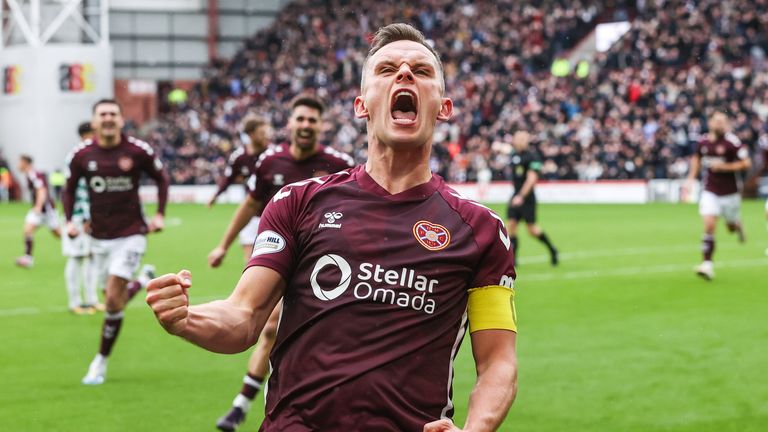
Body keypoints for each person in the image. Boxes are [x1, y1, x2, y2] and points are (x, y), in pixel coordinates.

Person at [148, 23, 518, 431]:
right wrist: (186, 319)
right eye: (387, 69)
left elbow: (498, 361)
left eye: (422, 70)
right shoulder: (298, 202)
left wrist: (475, 429)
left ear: (444, 107)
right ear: (361, 105)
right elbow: (244, 317)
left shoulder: (482, 230)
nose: (405, 75)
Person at [209, 95, 354, 431]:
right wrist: (222, 246)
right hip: (277, 255)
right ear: (289, 123)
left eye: (312, 121)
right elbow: (249, 205)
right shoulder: (270, 162)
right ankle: (242, 405)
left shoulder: (339, 164)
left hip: (322, 264)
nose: (305, 126)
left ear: (321, 125)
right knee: (271, 325)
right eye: (300, 119)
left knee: (323, 334)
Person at [63, 99, 169, 385]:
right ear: (94, 121)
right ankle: (142, 280)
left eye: (113, 114)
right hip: (97, 238)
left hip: (131, 234)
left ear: (121, 120)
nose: (108, 118)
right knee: (114, 299)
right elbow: (69, 188)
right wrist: (70, 220)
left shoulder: (137, 150)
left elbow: (161, 178)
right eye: (103, 114)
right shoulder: (81, 154)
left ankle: (100, 361)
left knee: (111, 299)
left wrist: (159, 214)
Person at [684, 111, 751, 280]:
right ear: (711, 123)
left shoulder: (732, 142)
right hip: (710, 190)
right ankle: (707, 265)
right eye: (717, 121)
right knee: (709, 225)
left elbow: (746, 163)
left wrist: (725, 167)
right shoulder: (703, 142)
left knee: (730, 228)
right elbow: (696, 159)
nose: (719, 124)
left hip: (730, 193)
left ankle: (738, 225)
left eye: (723, 122)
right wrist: (690, 179)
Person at [207, 116, 271, 261]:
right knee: (250, 262)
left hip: (273, 214)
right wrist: (215, 195)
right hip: (251, 215)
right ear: (251, 134)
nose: (266, 136)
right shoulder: (239, 157)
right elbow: (228, 179)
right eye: (262, 133)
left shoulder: (273, 155)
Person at [62, 122, 101, 314]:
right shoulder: (78, 155)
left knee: (92, 258)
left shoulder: (92, 154)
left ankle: (92, 299)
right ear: (87, 134)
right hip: (78, 217)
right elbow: (73, 191)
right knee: (76, 258)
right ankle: (75, 302)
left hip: (91, 218)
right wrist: (84, 217)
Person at [506, 130, 558, 266]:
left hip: (526, 197)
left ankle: (552, 249)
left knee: (532, 230)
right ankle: (513, 259)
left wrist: (521, 196)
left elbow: (531, 179)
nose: (520, 141)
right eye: (518, 138)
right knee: (511, 225)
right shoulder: (514, 155)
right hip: (515, 194)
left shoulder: (533, 157)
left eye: (523, 138)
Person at [15, 155, 61, 268]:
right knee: (27, 230)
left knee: (59, 234)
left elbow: (42, 189)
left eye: (19, 162)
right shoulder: (29, 174)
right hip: (38, 210)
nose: (18, 165)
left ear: (25, 162)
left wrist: (39, 206)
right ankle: (28, 258)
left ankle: (80, 248)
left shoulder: (33, 174)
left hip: (47, 210)